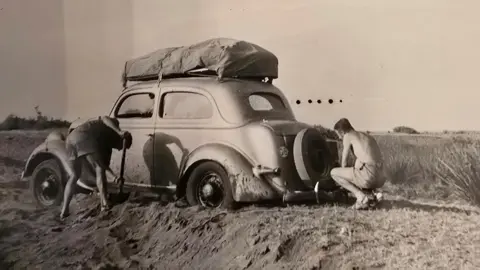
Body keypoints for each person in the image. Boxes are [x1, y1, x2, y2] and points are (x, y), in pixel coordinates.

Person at [60, 116, 130, 219]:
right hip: (84, 137)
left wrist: (114, 178)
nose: (120, 149)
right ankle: (104, 204)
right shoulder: (108, 126)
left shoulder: (106, 144)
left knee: (75, 175)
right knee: (99, 169)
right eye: (122, 147)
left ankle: (64, 210)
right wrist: (119, 131)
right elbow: (105, 118)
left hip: (70, 140)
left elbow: (104, 166)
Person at [330, 118, 385, 210]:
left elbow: (344, 162)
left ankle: (361, 197)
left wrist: (345, 182)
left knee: (334, 173)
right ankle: (375, 194)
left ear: (342, 131)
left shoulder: (348, 136)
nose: (339, 137)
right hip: (380, 176)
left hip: (368, 175)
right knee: (358, 164)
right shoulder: (366, 136)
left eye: (339, 134)